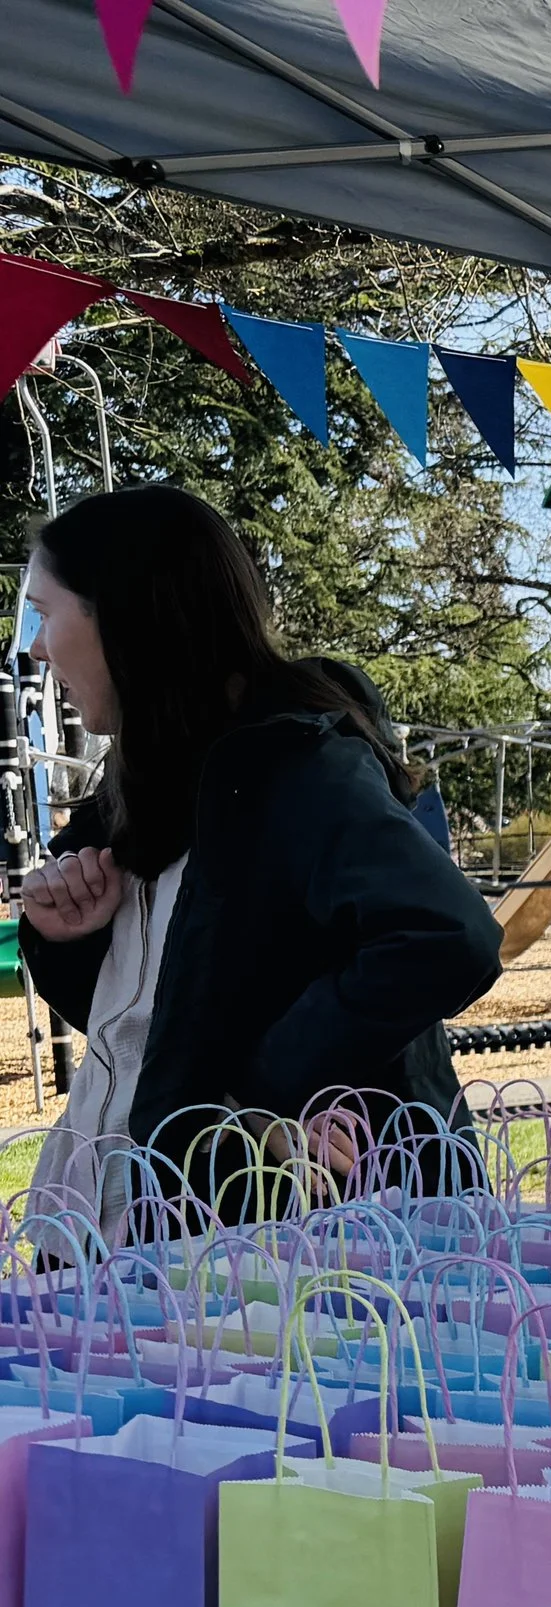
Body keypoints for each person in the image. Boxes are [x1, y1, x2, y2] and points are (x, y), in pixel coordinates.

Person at [16, 485, 506, 1224]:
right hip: (132, 1230)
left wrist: (265, 1081)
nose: (35, 645)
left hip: (291, 1248)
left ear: (124, 615)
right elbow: (168, 1021)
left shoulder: (295, 765)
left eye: (46, 613)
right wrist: (69, 942)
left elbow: (448, 935)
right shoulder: (143, 779)